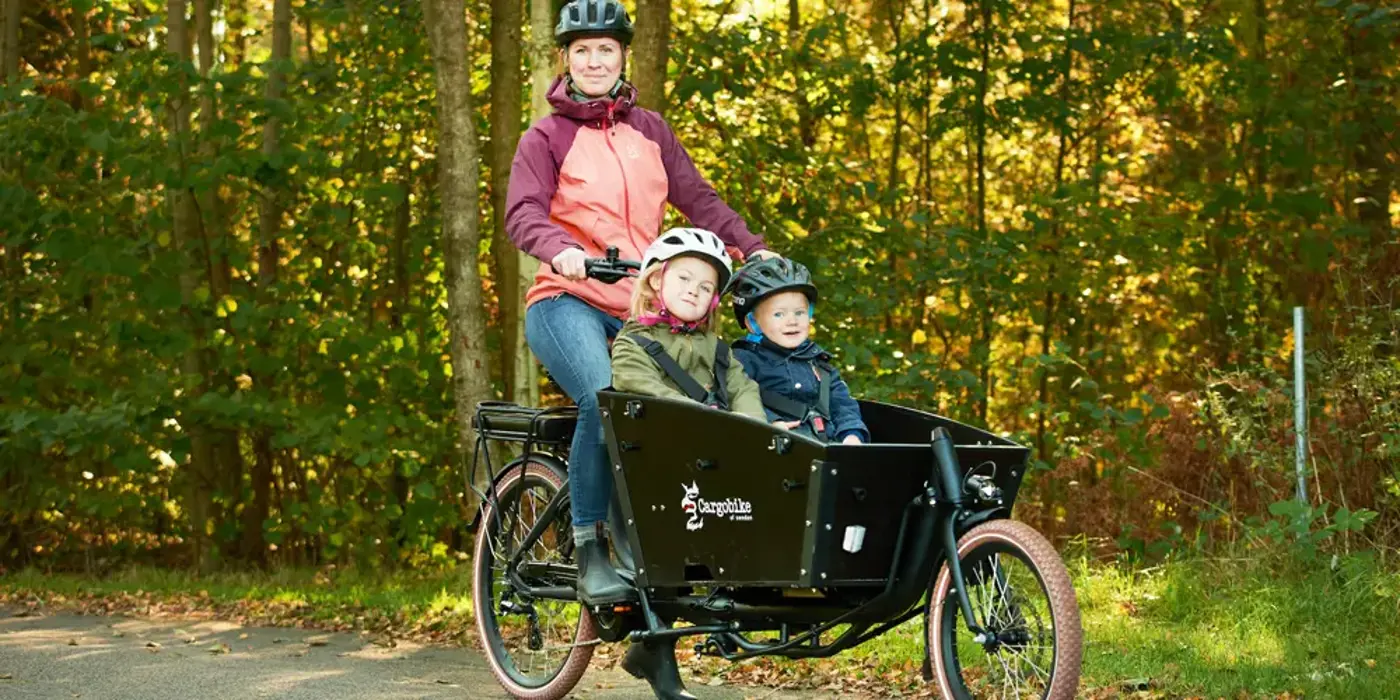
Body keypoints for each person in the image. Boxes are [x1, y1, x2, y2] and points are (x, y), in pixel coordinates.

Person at [505, 0, 775, 695]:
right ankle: (590, 543)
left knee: (671, 445)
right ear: (564, 58)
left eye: (607, 50)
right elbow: (523, 212)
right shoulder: (546, 136)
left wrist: (757, 251)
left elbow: (700, 200)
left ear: (625, 58)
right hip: (566, 301)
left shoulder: (651, 131)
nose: (595, 61)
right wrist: (560, 250)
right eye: (582, 51)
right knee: (611, 398)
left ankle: (656, 644)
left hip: (638, 310)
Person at [611, 229, 766, 420]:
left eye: (705, 287)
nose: (693, 290)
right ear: (657, 280)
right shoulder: (634, 343)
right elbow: (643, 387)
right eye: (684, 278)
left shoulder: (718, 350)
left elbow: (743, 389)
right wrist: (713, 420)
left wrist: (752, 423)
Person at [727, 257, 870, 444]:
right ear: (753, 323)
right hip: (777, 450)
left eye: (799, 312)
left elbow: (842, 404)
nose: (792, 321)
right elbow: (737, 398)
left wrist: (851, 434)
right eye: (779, 314)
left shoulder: (818, 363)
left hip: (827, 448)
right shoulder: (744, 360)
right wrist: (768, 423)